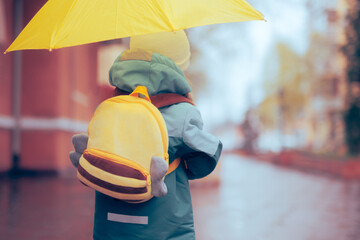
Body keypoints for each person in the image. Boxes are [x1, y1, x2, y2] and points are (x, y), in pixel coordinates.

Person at [70, 30, 222, 240]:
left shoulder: (110, 106)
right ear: (179, 67)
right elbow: (205, 158)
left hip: (109, 227)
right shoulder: (183, 113)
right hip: (164, 229)